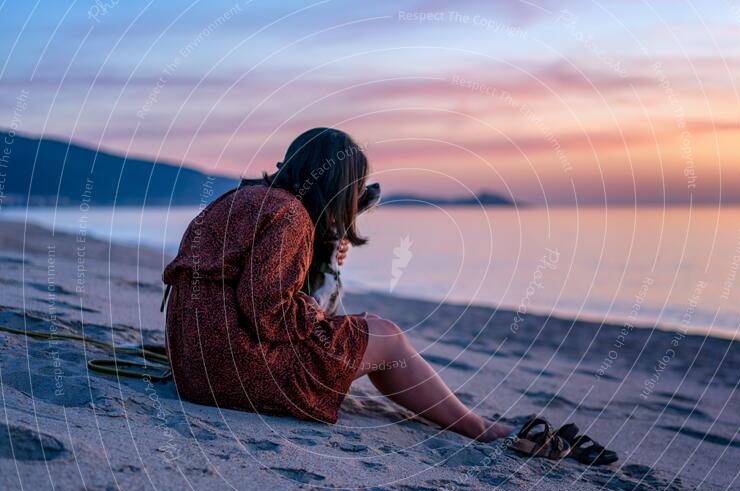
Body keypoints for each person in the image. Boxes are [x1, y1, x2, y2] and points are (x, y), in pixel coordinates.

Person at [163, 128, 512, 442]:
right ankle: (479, 429)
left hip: (194, 367)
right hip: (234, 374)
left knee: (367, 329)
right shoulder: (290, 216)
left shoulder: (240, 199)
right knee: (385, 337)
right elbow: (266, 313)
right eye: (355, 187)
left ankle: (470, 422)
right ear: (338, 186)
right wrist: (315, 313)